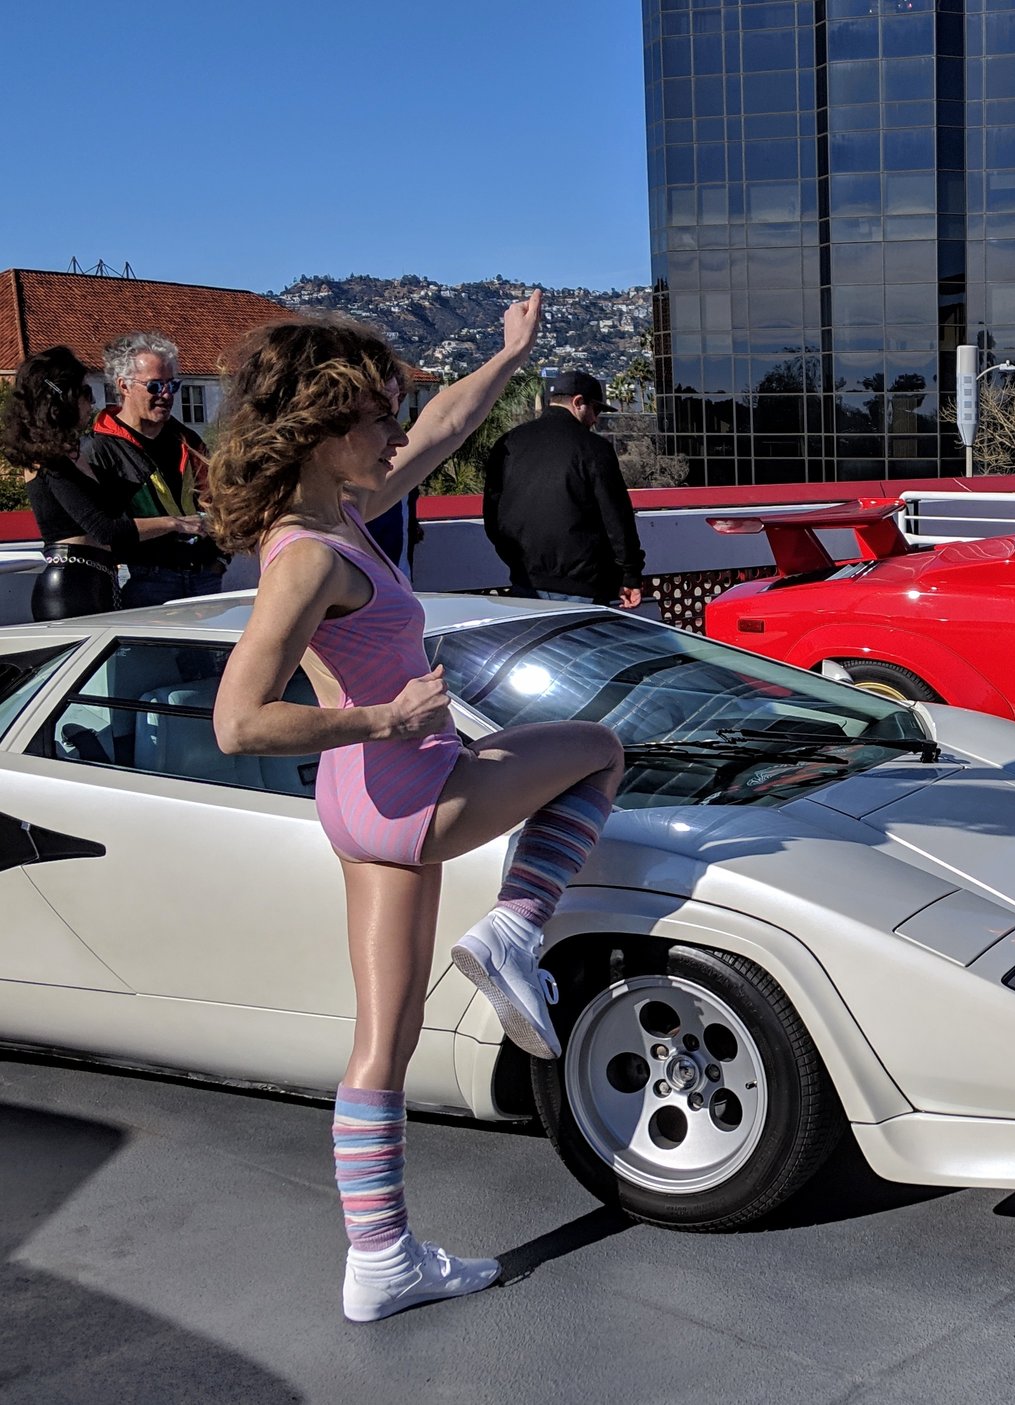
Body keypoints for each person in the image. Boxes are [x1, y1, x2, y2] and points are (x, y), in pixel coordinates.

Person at [207, 296, 627, 1324]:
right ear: (324, 429)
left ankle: (381, 1258)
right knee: (597, 751)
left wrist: (507, 356)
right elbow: (238, 721)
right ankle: (516, 928)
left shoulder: (330, 516)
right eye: (378, 417)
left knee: (384, 1039)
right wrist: (386, 717)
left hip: (361, 805)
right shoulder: (311, 553)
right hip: (406, 784)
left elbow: (442, 427)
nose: (397, 434)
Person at [1, 347, 198, 619]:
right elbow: (104, 529)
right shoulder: (47, 459)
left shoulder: (72, 453)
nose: (92, 402)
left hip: (97, 578)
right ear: (62, 398)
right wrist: (175, 523)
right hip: (71, 584)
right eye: (85, 392)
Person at [83, 332, 229, 606]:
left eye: (172, 385)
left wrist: (220, 559)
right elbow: (101, 527)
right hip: (145, 579)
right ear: (124, 386)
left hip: (204, 575)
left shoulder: (187, 440)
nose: (166, 394)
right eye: (155, 386)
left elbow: (220, 501)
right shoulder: (99, 450)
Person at [482, 370, 645, 607]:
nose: (595, 419)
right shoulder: (594, 448)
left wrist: (516, 560)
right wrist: (630, 574)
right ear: (578, 402)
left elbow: (492, 516)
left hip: (525, 581)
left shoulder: (509, 443)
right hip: (584, 585)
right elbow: (617, 518)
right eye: (595, 410)